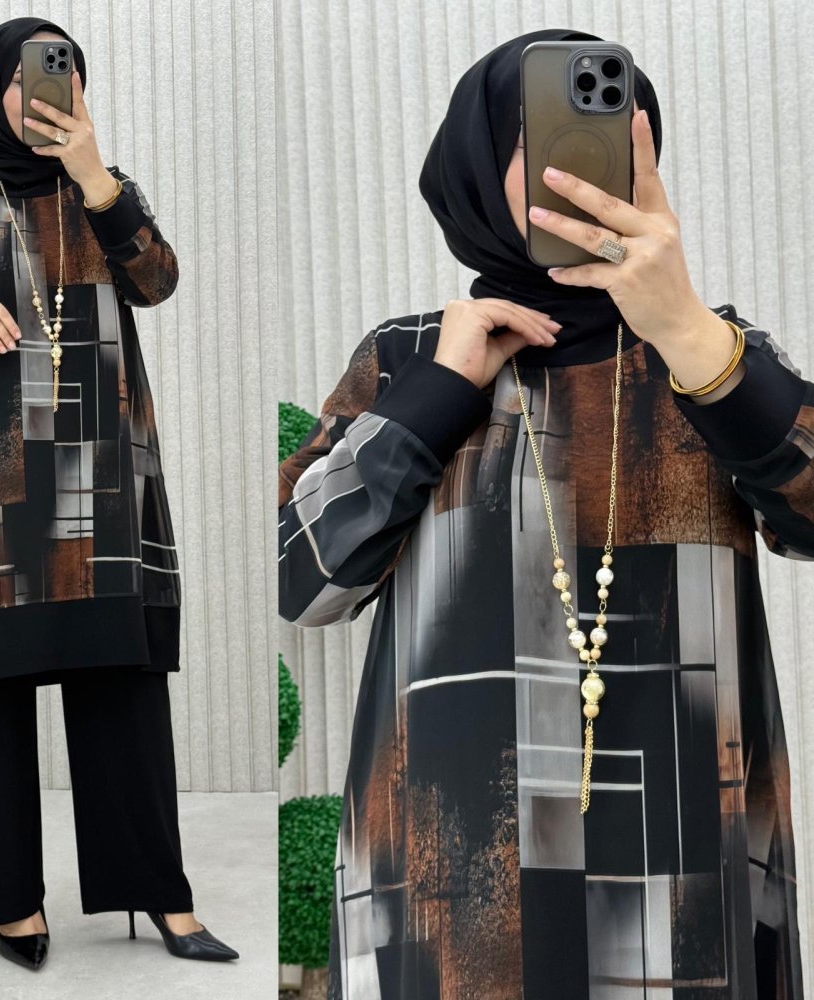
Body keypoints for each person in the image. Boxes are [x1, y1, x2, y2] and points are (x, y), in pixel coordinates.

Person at [278, 27, 807, 998]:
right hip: (450, 884)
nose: (579, 168)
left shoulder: (707, 354)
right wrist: (436, 395)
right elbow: (302, 581)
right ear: (478, 165)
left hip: (686, 877)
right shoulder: (406, 359)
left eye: (609, 134)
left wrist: (691, 335)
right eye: (542, 138)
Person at [0, 17, 237, 970]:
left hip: (101, 475)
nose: (53, 84)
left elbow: (157, 281)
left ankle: (158, 892)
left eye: (68, 68)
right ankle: (12, 905)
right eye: (34, 72)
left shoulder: (105, 189)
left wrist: (94, 177)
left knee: (121, 689)